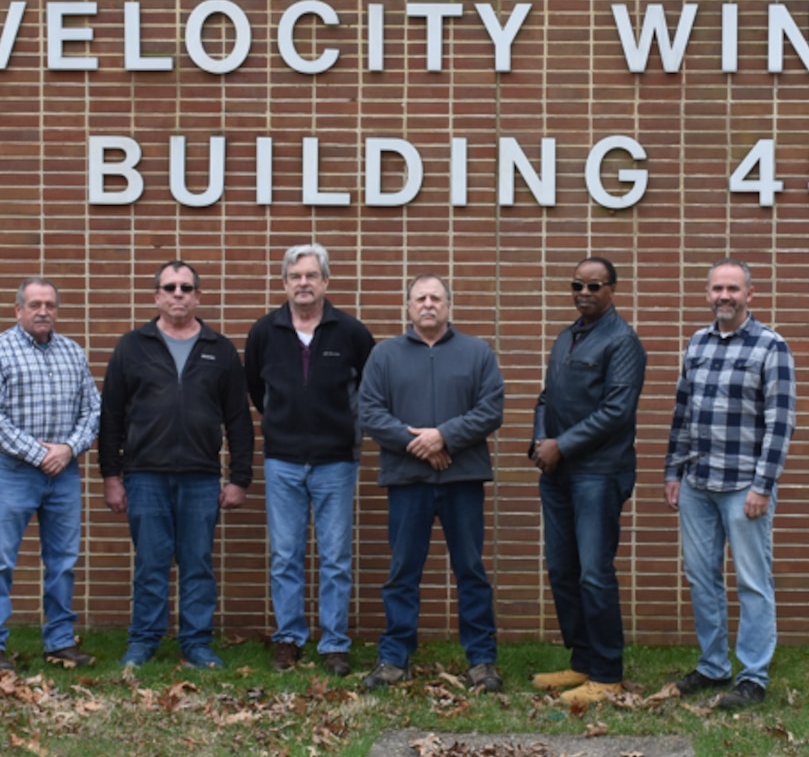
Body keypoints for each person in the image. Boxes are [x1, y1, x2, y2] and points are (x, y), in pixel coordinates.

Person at [98, 260, 254, 669]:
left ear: (198, 296)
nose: (178, 294)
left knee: (198, 565)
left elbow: (238, 418)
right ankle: (144, 640)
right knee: (150, 563)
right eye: (170, 287)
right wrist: (111, 477)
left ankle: (197, 644)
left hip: (200, 478)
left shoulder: (219, 350)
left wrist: (239, 479)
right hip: (144, 475)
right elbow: (111, 416)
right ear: (156, 296)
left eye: (187, 288)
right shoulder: (132, 347)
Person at [356, 274, 506, 692]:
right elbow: (369, 412)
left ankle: (481, 660)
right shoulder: (384, 355)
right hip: (408, 481)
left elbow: (490, 408)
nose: (428, 304)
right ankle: (394, 658)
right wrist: (419, 443)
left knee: (471, 570)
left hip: (463, 480)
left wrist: (445, 436)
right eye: (419, 298)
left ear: (449, 306)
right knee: (403, 571)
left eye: (435, 298)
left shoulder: (477, 353)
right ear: (408, 307)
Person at [664, 258, 796, 710]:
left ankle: (753, 676)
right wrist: (672, 471)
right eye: (717, 288)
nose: (725, 296)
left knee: (752, 582)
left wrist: (763, 485)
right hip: (697, 483)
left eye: (733, 289)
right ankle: (713, 665)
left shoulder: (770, 347)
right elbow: (683, 414)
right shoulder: (697, 343)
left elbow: (780, 424)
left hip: (744, 486)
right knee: (702, 578)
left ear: (749, 295)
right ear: (707, 294)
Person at [245, 243, 376, 677]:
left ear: (326, 281)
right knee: (285, 554)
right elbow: (258, 394)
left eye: (311, 275)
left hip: (336, 462)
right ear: (284, 283)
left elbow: (368, 393)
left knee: (335, 556)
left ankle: (334, 643)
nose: (303, 283)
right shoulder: (264, 332)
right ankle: (288, 637)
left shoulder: (351, 333)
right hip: (282, 461)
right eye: (295, 276)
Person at [528, 256, 647, 707]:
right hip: (559, 474)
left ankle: (608, 673)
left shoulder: (623, 343)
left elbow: (617, 412)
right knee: (563, 570)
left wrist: (563, 445)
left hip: (599, 474)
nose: (584, 292)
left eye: (594, 286)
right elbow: (546, 397)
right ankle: (581, 661)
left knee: (595, 574)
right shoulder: (567, 337)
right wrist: (542, 441)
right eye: (577, 284)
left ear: (612, 290)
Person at [0, 277, 102, 673]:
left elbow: (92, 411)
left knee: (62, 562)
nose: (43, 311)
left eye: (50, 304)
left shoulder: (72, 353)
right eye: (34, 304)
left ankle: (60, 642)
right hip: (14, 472)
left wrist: (67, 449)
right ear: (18, 310)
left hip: (63, 473)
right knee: (0, 561)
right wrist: (39, 454)